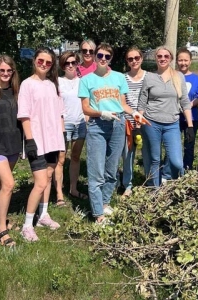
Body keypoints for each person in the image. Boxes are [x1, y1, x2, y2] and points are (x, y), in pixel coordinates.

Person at [78, 43, 144, 225]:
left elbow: (122, 104)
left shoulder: (118, 77)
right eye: (100, 55)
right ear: (95, 56)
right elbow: (85, 107)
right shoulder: (86, 80)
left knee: (111, 169)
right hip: (97, 126)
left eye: (107, 56)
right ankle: (98, 214)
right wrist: (101, 113)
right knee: (96, 171)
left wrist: (134, 113)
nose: (103, 59)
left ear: (111, 59)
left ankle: (105, 203)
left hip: (118, 124)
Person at [18, 47, 65, 241]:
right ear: (34, 61)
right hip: (36, 140)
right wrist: (29, 140)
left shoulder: (53, 85)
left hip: (54, 140)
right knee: (40, 182)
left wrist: (62, 138)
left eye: (48, 62)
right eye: (41, 61)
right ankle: (27, 226)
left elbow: (60, 113)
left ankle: (43, 215)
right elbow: (24, 115)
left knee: (48, 176)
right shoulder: (27, 85)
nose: (44, 65)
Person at [138, 46, 194, 187]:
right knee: (155, 159)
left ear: (170, 59)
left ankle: (168, 180)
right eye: (160, 56)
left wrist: (190, 126)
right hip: (151, 123)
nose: (163, 59)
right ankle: (154, 190)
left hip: (172, 124)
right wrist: (138, 123)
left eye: (166, 56)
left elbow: (185, 102)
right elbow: (142, 103)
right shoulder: (149, 77)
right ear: (156, 58)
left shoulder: (178, 76)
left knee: (176, 162)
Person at [53, 51, 87, 207]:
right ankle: (59, 194)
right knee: (60, 159)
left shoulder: (83, 81)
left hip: (80, 123)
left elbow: (88, 102)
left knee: (75, 157)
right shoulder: (57, 82)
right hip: (64, 124)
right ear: (62, 65)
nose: (71, 65)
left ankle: (73, 189)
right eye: (67, 63)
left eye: (73, 62)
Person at [0, 55, 21, 246]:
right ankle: (1, 230)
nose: (5, 74)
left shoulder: (16, 92)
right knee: (8, 184)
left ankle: (0, 219)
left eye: (8, 70)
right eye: (1, 70)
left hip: (12, 145)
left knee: (0, 185)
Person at [121, 46, 147, 198]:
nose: (134, 61)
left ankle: (150, 182)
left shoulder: (149, 77)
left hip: (146, 122)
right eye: (130, 59)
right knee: (128, 154)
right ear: (127, 61)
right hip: (128, 122)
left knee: (149, 154)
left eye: (136, 58)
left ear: (141, 58)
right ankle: (128, 185)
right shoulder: (122, 78)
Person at [176, 47, 198, 170]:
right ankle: (174, 168)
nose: (183, 63)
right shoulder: (173, 76)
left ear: (190, 61)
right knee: (174, 144)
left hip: (192, 118)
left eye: (186, 60)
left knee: (189, 144)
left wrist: (187, 106)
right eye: (180, 60)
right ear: (176, 61)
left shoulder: (196, 78)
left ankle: (187, 167)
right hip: (175, 117)